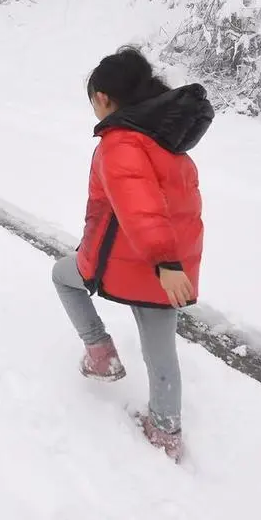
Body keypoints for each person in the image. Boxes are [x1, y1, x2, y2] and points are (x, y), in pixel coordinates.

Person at [51, 46, 213, 463]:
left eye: (92, 100)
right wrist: (171, 265)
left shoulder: (120, 142)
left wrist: (164, 261)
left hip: (135, 263)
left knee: (63, 277)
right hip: (166, 269)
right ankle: (165, 429)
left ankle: (100, 354)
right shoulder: (166, 141)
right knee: (161, 350)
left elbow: (140, 207)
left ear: (103, 98)